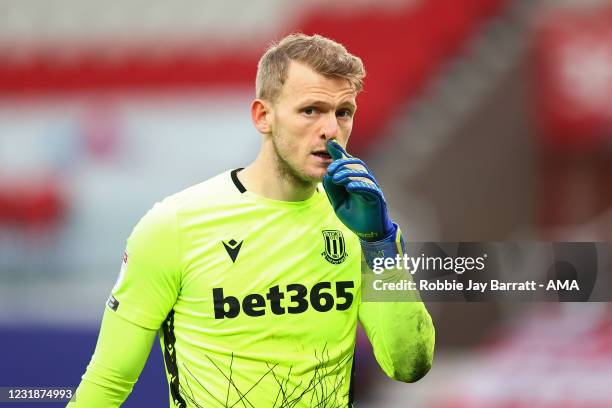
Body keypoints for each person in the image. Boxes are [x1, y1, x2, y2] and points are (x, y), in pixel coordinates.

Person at [69, 33, 435, 408]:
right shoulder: (174, 226)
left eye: (343, 112)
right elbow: (107, 384)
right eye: (311, 110)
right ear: (263, 116)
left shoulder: (364, 227)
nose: (330, 130)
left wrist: (379, 243)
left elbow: (409, 365)